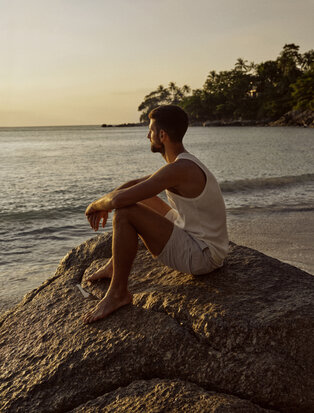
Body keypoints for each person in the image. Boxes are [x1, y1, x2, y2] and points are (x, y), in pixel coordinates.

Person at [83, 105, 228, 324]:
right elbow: (134, 186)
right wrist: (107, 201)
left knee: (125, 213)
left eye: (150, 130)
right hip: (196, 236)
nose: (147, 135)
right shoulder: (183, 163)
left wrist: (95, 205)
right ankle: (115, 265)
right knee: (137, 197)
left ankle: (118, 293)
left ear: (162, 135)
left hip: (203, 255)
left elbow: (121, 201)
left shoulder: (179, 169)